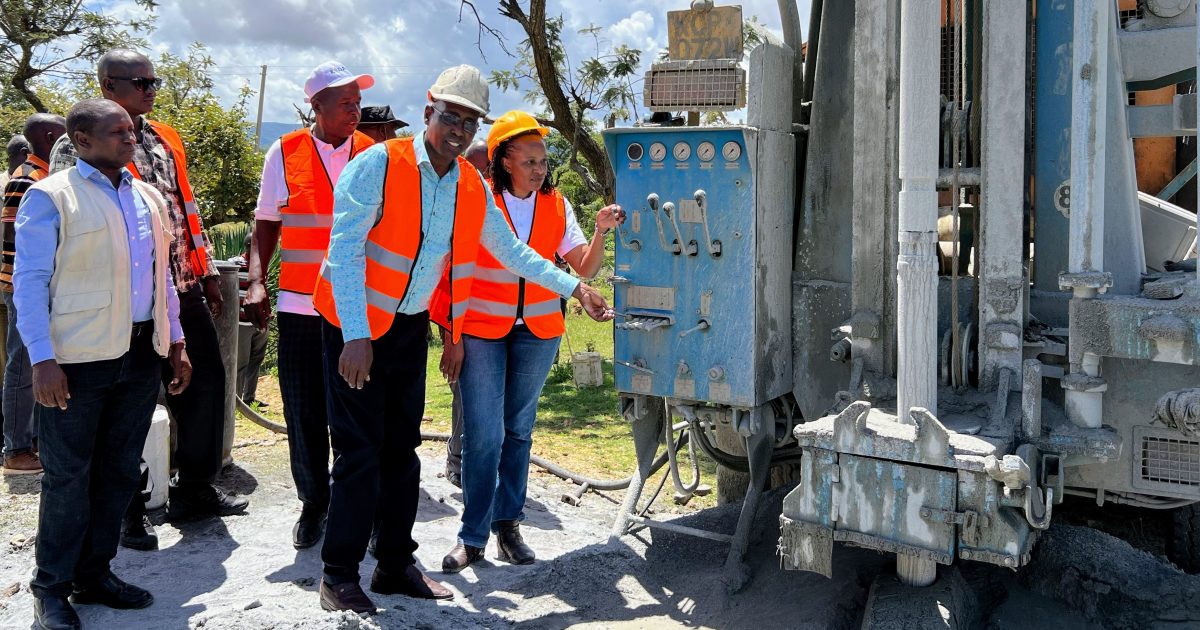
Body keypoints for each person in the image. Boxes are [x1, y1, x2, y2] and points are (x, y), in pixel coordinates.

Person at [309, 64, 613, 614]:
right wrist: (356, 335)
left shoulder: (468, 184)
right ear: (428, 113)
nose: (458, 129)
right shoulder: (378, 164)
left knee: (402, 449)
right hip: (352, 326)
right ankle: (337, 575)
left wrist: (576, 288)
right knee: (358, 453)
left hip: (406, 327)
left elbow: (511, 252)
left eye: (470, 121)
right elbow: (346, 250)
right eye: (450, 116)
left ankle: (395, 565)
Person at [49, 50, 247, 537]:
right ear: (108, 86)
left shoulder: (163, 137)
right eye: (141, 81)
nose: (151, 89)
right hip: (123, 299)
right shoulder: (76, 145)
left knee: (204, 386)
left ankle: (194, 490)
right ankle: (127, 511)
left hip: (177, 286)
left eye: (154, 80)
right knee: (129, 401)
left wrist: (203, 274)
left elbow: (185, 208)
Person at [15, 98, 191, 630]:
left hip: (139, 356)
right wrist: (42, 360)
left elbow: (162, 278)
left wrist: (176, 341)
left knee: (117, 472)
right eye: (117, 132)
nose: (130, 138)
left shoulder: (146, 197)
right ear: (82, 141)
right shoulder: (52, 196)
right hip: (75, 361)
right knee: (69, 477)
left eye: (132, 130)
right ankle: (52, 587)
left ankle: (96, 573)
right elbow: (29, 284)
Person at [434, 110, 624, 574]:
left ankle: (508, 526)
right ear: (503, 160)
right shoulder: (477, 200)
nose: (541, 170)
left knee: (518, 431)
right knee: (484, 434)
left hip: (538, 333)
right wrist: (451, 336)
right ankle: (472, 537)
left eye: (544, 161)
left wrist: (599, 231)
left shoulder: (558, 205)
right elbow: (450, 273)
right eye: (531, 161)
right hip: (481, 331)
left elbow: (584, 267)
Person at [244, 60, 375, 550]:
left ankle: (357, 501)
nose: (355, 110)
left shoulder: (374, 154)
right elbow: (264, 223)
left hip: (356, 310)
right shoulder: (285, 153)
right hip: (300, 308)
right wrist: (257, 280)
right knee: (303, 412)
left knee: (357, 409)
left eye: (358, 102)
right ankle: (314, 502)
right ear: (315, 106)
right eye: (344, 102)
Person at [1, 114, 65, 475]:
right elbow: (13, 234)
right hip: (21, 285)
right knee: (24, 367)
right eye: (62, 131)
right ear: (47, 134)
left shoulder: (47, 174)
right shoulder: (26, 176)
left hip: (43, 285)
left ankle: (35, 441)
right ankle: (16, 449)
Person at [443, 137, 492, 489]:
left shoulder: (496, 207)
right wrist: (451, 338)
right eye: (478, 167)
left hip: (494, 323)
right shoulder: (454, 206)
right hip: (461, 321)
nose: (484, 175)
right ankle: (456, 459)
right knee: (463, 394)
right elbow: (447, 282)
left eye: (488, 168)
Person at [231, 233, 267, 406]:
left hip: (259, 323)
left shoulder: (262, 266)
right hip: (242, 323)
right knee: (241, 362)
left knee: (256, 359)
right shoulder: (235, 265)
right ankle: (237, 401)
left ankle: (249, 398)